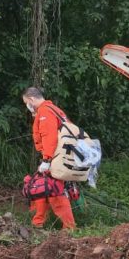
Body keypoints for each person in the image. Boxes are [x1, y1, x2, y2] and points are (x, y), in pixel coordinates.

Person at [21, 87, 76, 230]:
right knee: (42, 186)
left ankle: (69, 228)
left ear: (31, 99)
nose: (27, 106)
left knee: (53, 191)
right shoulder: (54, 109)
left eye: (26, 102)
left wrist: (46, 160)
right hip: (61, 156)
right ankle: (37, 222)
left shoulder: (45, 112)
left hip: (54, 157)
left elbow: (49, 137)